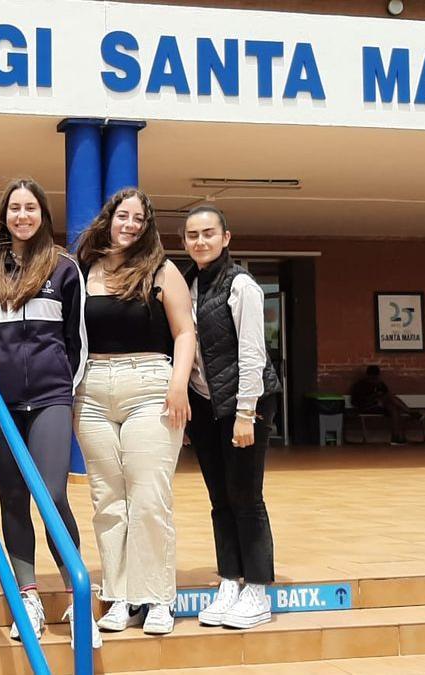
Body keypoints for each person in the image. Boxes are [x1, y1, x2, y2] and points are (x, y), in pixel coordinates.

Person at [0, 178, 96, 645]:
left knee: (54, 495)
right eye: (15, 208)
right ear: (5, 215)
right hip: (0, 405)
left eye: (31, 208)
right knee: (13, 500)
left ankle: (80, 602)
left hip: (51, 398)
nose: (22, 216)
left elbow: (77, 340)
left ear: (43, 214)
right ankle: (28, 597)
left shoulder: (64, 268)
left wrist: (69, 388)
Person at [73, 188, 195, 637]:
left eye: (138, 219)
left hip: (150, 385)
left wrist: (178, 385)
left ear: (147, 226)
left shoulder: (162, 271)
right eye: (122, 216)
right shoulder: (85, 270)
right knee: (108, 500)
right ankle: (120, 597)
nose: (129, 224)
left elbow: (184, 333)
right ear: (108, 219)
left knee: (148, 498)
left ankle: (158, 597)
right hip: (92, 390)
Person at [182, 205, 282, 630]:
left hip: (245, 402)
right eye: (192, 235)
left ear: (226, 238)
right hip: (205, 404)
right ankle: (229, 580)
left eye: (208, 234)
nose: (200, 241)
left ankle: (257, 588)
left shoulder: (241, 284)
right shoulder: (188, 283)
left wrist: (246, 413)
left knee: (245, 496)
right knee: (219, 497)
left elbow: (252, 352)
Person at [350, 365, 420, 445]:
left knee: (393, 409)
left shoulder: (380, 384)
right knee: (389, 396)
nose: (374, 379)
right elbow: (355, 401)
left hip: (380, 406)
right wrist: (374, 398)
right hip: (366, 407)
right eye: (372, 378)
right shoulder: (360, 385)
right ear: (368, 376)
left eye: (376, 377)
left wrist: (380, 399)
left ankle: (395, 437)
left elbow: (386, 395)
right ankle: (410, 412)